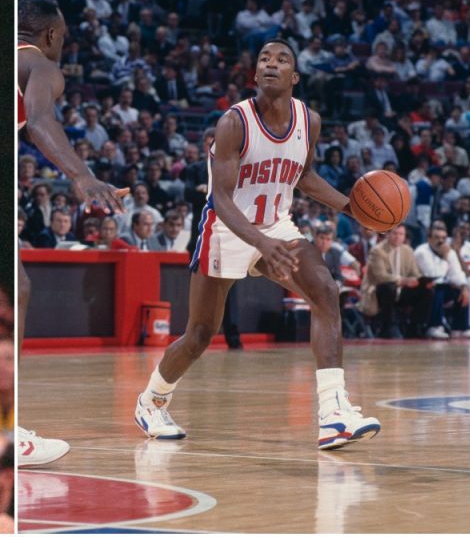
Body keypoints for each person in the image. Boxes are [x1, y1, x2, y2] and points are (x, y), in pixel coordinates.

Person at [133, 39, 381, 450]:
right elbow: (221, 200)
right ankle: (151, 401)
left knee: (324, 290)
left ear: (294, 77)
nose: (271, 63)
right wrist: (260, 243)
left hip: (277, 225)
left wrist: (352, 208)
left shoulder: (309, 121)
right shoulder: (234, 123)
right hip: (226, 230)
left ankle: (334, 413)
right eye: (264, 58)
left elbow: (304, 176)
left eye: (281, 59)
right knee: (199, 334)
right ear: (255, 74)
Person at [18, 0, 127, 466]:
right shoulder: (41, 67)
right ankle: (12, 431)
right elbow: (41, 121)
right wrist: (80, 175)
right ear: (50, 35)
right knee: (17, 286)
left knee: (16, 286)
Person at [413, 223, 470, 339]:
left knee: (461, 290)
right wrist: (444, 257)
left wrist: (464, 286)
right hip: (422, 289)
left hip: (439, 286)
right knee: (437, 288)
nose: (441, 241)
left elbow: (456, 273)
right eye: (437, 238)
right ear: (429, 239)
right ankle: (434, 326)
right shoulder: (421, 252)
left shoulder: (449, 252)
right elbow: (434, 275)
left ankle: (459, 328)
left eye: (443, 238)